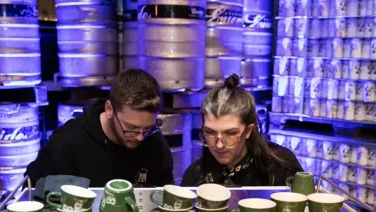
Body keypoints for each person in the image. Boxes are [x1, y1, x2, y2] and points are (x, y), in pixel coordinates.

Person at [26, 69, 174, 187]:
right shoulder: (69, 142)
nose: (140, 137)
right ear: (109, 109)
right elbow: (32, 189)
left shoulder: (155, 144)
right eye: (131, 128)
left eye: (147, 128)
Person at [181, 74, 303, 186]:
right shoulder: (195, 176)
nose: (218, 145)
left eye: (230, 133)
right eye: (210, 132)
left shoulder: (280, 168)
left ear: (248, 131)